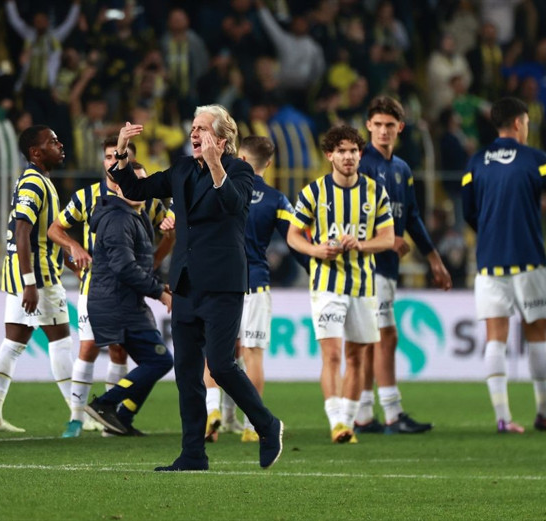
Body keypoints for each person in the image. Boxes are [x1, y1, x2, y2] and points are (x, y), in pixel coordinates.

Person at [108, 104, 283, 471]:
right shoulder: (183, 169)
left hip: (223, 285)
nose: (194, 134)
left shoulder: (240, 170)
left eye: (202, 128)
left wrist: (217, 164)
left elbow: (233, 205)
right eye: (193, 127)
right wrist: (122, 152)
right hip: (186, 284)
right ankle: (193, 454)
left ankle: (267, 425)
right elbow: (136, 187)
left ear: (222, 139)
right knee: (187, 373)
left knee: (220, 365)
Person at [462, 97, 546, 434]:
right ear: (520, 123)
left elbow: (468, 211)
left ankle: (503, 418)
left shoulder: (475, 163)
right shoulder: (531, 158)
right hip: (528, 260)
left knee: (495, 338)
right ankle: (545, 411)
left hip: (489, 263)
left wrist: (490, 231)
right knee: (537, 333)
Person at [180, 136, 309, 443]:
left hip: (217, 282)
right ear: (269, 163)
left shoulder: (217, 187)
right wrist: (313, 263)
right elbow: (294, 238)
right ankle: (252, 427)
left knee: (216, 353)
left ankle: (215, 412)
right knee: (252, 355)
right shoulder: (276, 199)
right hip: (255, 283)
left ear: (241, 157)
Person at [49, 140, 174, 437]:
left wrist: (154, 268)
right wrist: (75, 248)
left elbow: (156, 247)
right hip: (104, 290)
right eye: (107, 157)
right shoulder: (94, 202)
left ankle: (115, 420)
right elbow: (56, 229)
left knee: (125, 355)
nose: (112, 162)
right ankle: (80, 416)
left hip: (127, 291)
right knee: (90, 347)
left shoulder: (147, 204)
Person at [286, 125, 394, 444]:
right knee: (332, 355)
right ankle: (336, 422)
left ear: (360, 155)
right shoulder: (313, 192)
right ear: (330, 155)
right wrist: (316, 250)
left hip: (363, 285)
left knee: (357, 357)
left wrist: (360, 244)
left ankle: (347, 422)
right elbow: (293, 235)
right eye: (341, 151)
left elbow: (387, 238)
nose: (348, 156)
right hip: (326, 285)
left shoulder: (376, 192)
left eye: (353, 151)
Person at [354, 96, 452, 435]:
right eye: (377, 125)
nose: (383, 131)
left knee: (373, 337)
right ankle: (392, 412)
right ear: (368, 126)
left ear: (400, 128)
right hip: (367, 267)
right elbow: (350, 214)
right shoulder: (360, 164)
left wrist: (433, 258)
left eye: (389, 126)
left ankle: (364, 414)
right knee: (386, 335)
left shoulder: (401, 169)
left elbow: (409, 216)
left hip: (388, 267)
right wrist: (386, 239)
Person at [0, 125, 74, 432]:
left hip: (22, 274)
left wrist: (67, 259)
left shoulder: (37, 180)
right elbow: (23, 230)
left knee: (13, 343)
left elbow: (40, 233)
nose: (60, 145)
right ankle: (79, 413)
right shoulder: (35, 181)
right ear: (36, 152)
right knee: (60, 340)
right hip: (39, 278)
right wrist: (31, 282)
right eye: (53, 141)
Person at [83, 160, 175, 437]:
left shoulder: (136, 216)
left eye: (144, 183)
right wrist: (158, 292)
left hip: (127, 301)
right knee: (159, 361)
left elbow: (140, 265)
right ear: (121, 186)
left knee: (154, 361)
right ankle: (104, 405)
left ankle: (121, 419)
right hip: (117, 303)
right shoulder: (119, 219)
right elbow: (123, 267)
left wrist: (160, 285)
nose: (142, 189)